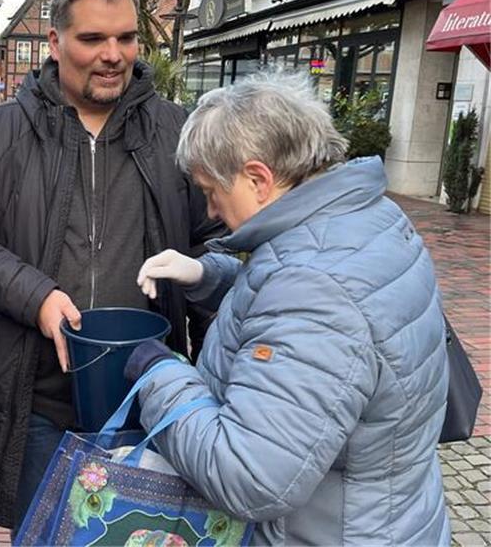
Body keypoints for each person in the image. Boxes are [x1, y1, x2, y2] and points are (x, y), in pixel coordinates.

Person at [0, 0, 222, 536]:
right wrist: (36, 297)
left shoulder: (178, 132)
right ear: (54, 43)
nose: (114, 56)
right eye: (92, 39)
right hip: (33, 401)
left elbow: (215, 242)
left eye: (127, 38)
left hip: (148, 399)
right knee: (45, 533)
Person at [126, 73, 450, 545]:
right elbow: (312, 311)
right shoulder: (369, 219)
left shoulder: (315, 290)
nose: (212, 211)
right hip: (387, 518)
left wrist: (159, 374)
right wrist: (210, 276)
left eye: (212, 191)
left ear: (258, 178)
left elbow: (249, 477)